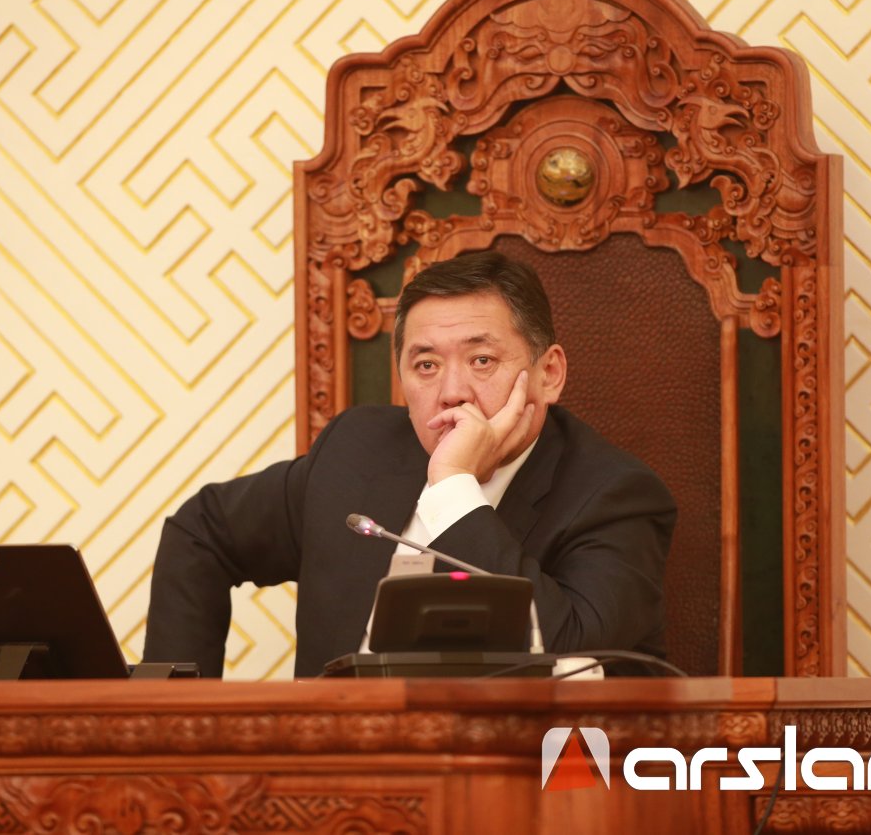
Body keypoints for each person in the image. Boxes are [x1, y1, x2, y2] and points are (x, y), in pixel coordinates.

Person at [144, 251, 675, 677]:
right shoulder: (357, 452)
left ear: (549, 374)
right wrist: (176, 724)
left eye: (482, 360)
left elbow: (574, 654)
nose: (451, 391)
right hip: (332, 760)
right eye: (425, 365)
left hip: (511, 771)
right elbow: (202, 531)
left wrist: (453, 489)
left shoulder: (614, 496)